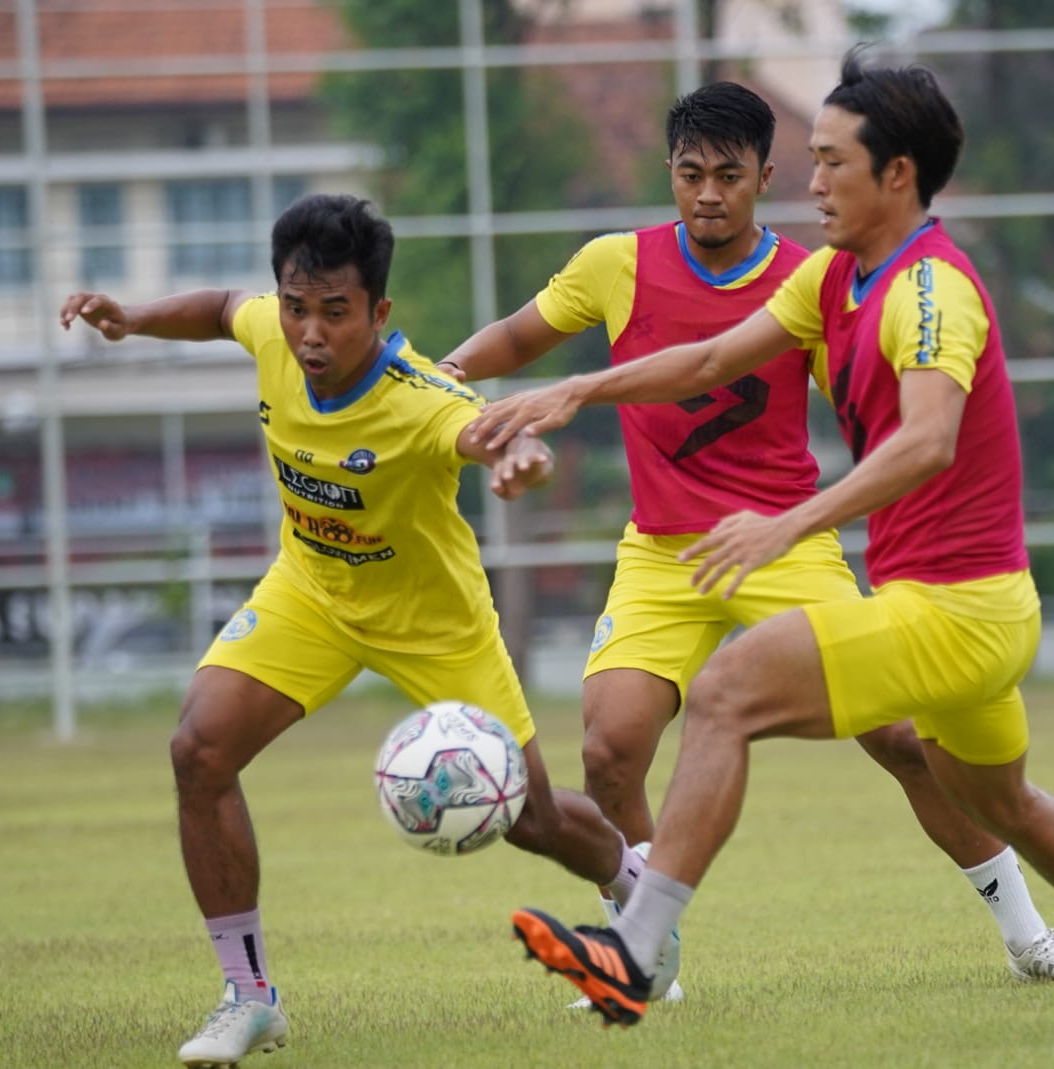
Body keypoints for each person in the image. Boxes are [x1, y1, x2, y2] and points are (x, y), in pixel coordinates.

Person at [471, 53, 1054, 1026]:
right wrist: (574, 388)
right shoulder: (838, 281)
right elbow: (704, 357)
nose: (812, 183)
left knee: (729, 695)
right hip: (881, 588)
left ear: (894, 174)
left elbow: (927, 439)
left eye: (829, 163)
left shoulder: (927, 294)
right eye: (811, 161)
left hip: (954, 606)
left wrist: (785, 521)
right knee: (1007, 801)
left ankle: (637, 956)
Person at [59, 194, 638, 1067]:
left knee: (533, 817)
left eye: (336, 312)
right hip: (311, 595)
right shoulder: (271, 334)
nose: (311, 334)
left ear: (379, 312)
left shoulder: (423, 398)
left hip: (435, 625)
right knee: (198, 749)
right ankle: (248, 996)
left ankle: (639, 895)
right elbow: (223, 309)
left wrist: (517, 455)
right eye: (297, 308)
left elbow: (479, 430)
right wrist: (132, 317)